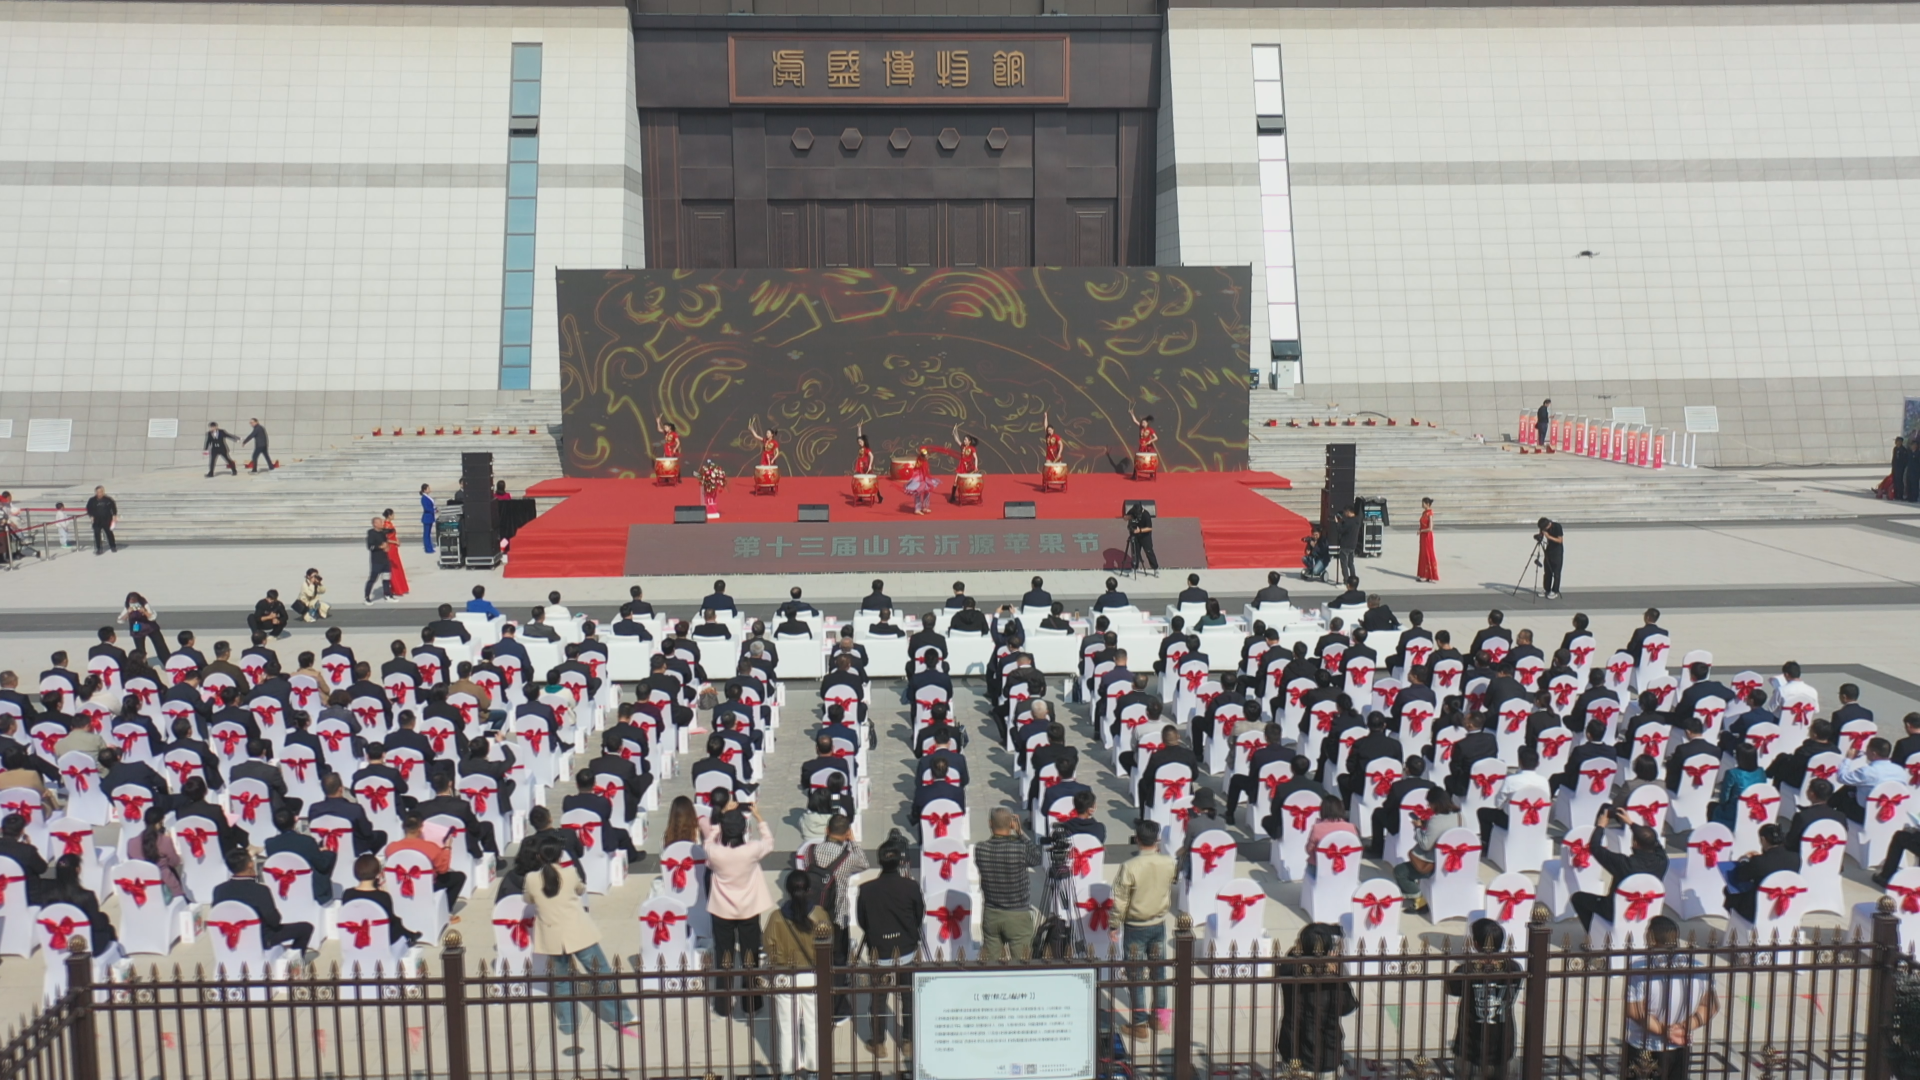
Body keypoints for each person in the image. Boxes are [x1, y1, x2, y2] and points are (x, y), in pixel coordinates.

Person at [525, 839, 635, 1042]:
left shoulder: (531, 878)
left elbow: (528, 899)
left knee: (561, 981)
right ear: (560, 856)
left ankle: (569, 1024)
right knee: (601, 974)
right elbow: (580, 889)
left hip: (552, 937)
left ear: (540, 857)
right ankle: (623, 1016)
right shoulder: (569, 873)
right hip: (578, 933)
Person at [1622, 916, 1718, 1078]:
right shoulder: (1697, 967)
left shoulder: (1640, 967)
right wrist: (1684, 1027)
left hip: (1644, 1046)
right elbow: (1711, 1005)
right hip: (1680, 1045)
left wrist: (1664, 1030)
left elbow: (1635, 1011)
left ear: (1651, 937)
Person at [703, 801, 775, 1016]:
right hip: (749, 908)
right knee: (749, 956)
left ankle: (723, 1005)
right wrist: (759, 817)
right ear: (744, 830)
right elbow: (769, 842)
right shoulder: (751, 850)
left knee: (723, 956)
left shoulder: (714, 851)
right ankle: (752, 1003)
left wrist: (720, 818)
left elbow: (708, 840)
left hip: (722, 908)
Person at [858, 831, 922, 1056]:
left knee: (878, 996)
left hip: (880, 951)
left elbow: (862, 921)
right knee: (907, 995)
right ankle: (908, 1041)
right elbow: (918, 915)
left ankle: (878, 1042)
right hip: (905, 949)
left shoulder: (866, 890)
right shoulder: (910, 886)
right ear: (900, 861)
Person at [1112, 819, 1177, 1039]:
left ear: (1137, 839)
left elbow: (1120, 900)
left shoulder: (1129, 867)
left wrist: (1114, 924)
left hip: (1135, 926)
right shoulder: (1169, 862)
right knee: (1160, 973)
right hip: (1158, 923)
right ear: (1157, 839)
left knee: (1137, 977)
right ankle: (1160, 1020)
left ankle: (1139, 1024)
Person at [764, 868, 831, 1079]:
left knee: (787, 1025)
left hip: (784, 975)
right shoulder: (819, 914)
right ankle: (813, 1069)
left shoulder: (776, 917)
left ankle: (789, 1070)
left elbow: (768, 946)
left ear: (788, 890)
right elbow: (828, 945)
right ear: (809, 890)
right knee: (812, 1023)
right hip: (811, 974)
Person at [1276, 923, 1358, 1076]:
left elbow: (1290, 960)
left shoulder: (1290, 967)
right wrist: (1337, 974)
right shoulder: (1332, 978)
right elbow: (1347, 1006)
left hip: (1294, 1048)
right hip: (1326, 1053)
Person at [1445, 919, 1522, 1080]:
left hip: (1471, 1048)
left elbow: (1451, 988)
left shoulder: (1467, 970)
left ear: (1476, 944)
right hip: (1503, 1045)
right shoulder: (1513, 968)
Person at [212, 847, 316, 953]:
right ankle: (295, 963)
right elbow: (274, 921)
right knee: (306, 928)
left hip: (232, 936)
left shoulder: (219, 890)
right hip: (261, 938)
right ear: (250, 864)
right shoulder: (260, 890)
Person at [975, 806, 1042, 960]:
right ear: (1012, 823)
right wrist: (1020, 833)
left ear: (990, 823)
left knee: (990, 964)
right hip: (1017, 914)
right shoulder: (1019, 849)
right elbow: (1037, 858)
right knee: (1022, 963)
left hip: (991, 912)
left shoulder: (981, 848)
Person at [1393, 791, 1462, 912]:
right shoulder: (1460, 816)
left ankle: (1420, 900)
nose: (1428, 806)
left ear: (1436, 803)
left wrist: (1418, 827)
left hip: (1435, 865)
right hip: (1455, 862)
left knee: (1399, 871)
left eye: (1430, 804)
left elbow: (1425, 845)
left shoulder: (1436, 820)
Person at [124, 807, 184, 898]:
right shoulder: (165, 841)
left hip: (142, 887)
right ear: (159, 823)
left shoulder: (131, 843)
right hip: (167, 888)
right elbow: (175, 862)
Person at [117, 591, 167, 660]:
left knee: (160, 645)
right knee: (140, 649)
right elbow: (120, 620)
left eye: (135, 602)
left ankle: (166, 660)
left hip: (150, 627)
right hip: (137, 628)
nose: (134, 604)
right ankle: (143, 663)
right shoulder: (128, 607)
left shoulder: (145, 605)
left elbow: (152, 617)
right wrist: (128, 612)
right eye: (132, 602)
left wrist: (144, 612)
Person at [365, 515, 393, 604]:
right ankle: (367, 597)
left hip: (385, 559)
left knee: (386, 578)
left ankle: (387, 595)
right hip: (376, 561)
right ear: (375, 524)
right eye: (380, 522)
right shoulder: (371, 533)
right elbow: (370, 547)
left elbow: (386, 542)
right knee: (372, 579)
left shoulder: (382, 533)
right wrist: (380, 547)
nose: (382, 524)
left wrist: (387, 547)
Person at [382, 510, 410, 599]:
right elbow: (385, 539)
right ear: (389, 515)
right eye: (393, 514)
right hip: (390, 548)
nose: (394, 516)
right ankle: (396, 588)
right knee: (393, 568)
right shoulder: (386, 525)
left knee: (397, 566)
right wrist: (395, 541)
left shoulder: (389, 524)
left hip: (394, 548)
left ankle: (400, 587)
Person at [84, 485, 118, 555]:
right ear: (96, 492)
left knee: (109, 533)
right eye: (98, 492)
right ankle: (99, 548)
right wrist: (91, 515)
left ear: (103, 492)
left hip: (106, 519)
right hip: (96, 520)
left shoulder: (108, 499)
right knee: (97, 534)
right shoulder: (92, 500)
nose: (99, 493)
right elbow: (88, 508)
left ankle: (113, 546)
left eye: (101, 492)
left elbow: (113, 507)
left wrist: (114, 515)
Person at [1535, 517, 1564, 599]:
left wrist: (1548, 536)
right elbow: (1541, 536)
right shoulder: (1543, 528)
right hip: (1548, 550)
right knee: (1547, 571)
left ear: (1548, 525)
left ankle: (1555, 591)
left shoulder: (1557, 527)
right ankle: (1546, 588)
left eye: (1544, 528)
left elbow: (1560, 540)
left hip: (1557, 551)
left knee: (1556, 572)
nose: (1543, 530)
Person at [1126, 500, 1158, 572]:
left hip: (1145, 536)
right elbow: (1125, 518)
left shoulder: (1146, 515)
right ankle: (1134, 567)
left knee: (1149, 551)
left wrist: (1140, 530)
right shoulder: (1132, 511)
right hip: (1135, 535)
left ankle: (1155, 568)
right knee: (1135, 552)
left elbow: (1149, 528)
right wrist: (1130, 517)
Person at [904, 447, 936, 515]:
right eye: (926, 456)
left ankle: (925, 507)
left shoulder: (925, 462)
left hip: (925, 478)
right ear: (923, 456)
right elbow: (917, 471)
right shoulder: (919, 462)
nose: (928, 457)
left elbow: (927, 471)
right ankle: (917, 509)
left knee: (927, 492)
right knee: (918, 493)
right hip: (919, 479)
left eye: (928, 455)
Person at [1336, 506, 1362, 583]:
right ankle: (1353, 579)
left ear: (1349, 512)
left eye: (1345, 512)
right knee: (1351, 563)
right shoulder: (1357, 520)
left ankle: (1346, 580)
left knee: (1344, 564)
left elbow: (1340, 530)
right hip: (1353, 545)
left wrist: (1338, 523)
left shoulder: (1348, 522)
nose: (1344, 514)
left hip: (1345, 545)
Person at [1417, 496, 1439, 582]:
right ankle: (1423, 573)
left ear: (1428, 504)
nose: (1422, 505)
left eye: (1423, 503)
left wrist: (1421, 530)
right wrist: (1420, 529)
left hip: (1427, 536)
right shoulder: (1424, 513)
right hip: (1422, 536)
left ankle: (1429, 574)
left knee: (1427, 554)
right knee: (1422, 554)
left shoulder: (1430, 513)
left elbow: (1430, 528)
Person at [419, 485, 437, 554]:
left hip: (430, 517)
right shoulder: (424, 498)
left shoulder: (427, 497)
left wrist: (435, 509)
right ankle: (428, 548)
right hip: (427, 517)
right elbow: (426, 508)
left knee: (428, 533)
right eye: (428, 488)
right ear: (424, 490)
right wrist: (433, 510)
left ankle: (429, 547)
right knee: (426, 534)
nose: (429, 489)